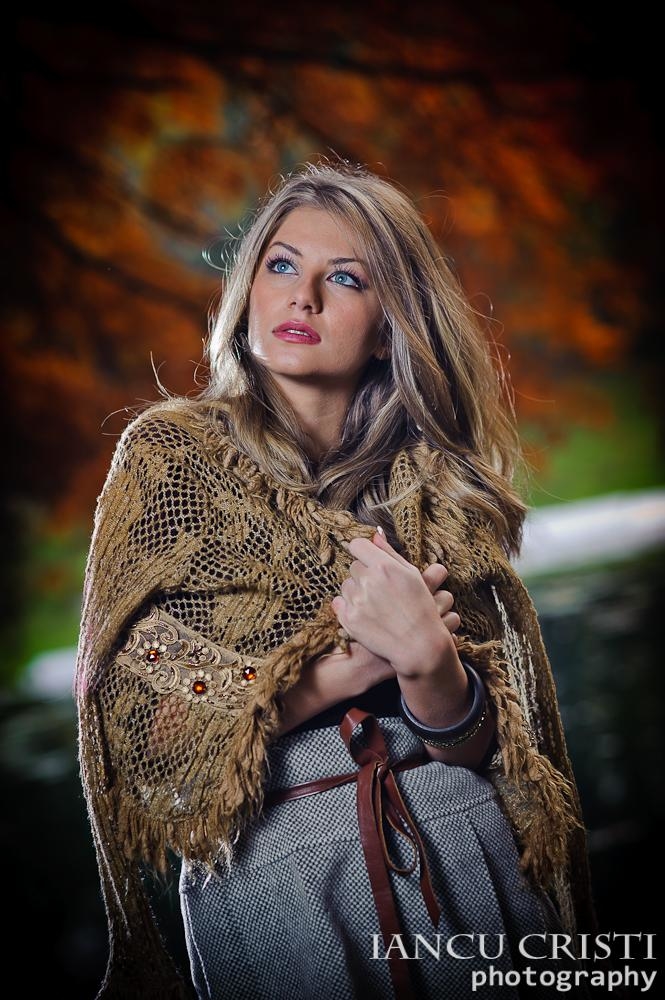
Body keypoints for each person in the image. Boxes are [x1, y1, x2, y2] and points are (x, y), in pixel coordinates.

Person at [75, 158, 595, 1000]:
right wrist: (354, 666)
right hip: (276, 887)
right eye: (280, 264)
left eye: (344, 278)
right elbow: (145, 738)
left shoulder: (442, 492)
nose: (302, 296)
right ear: (248, 289)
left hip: (468, 867)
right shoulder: (172, 463)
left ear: (390, 327)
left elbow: (489, 753)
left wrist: (429, 667)